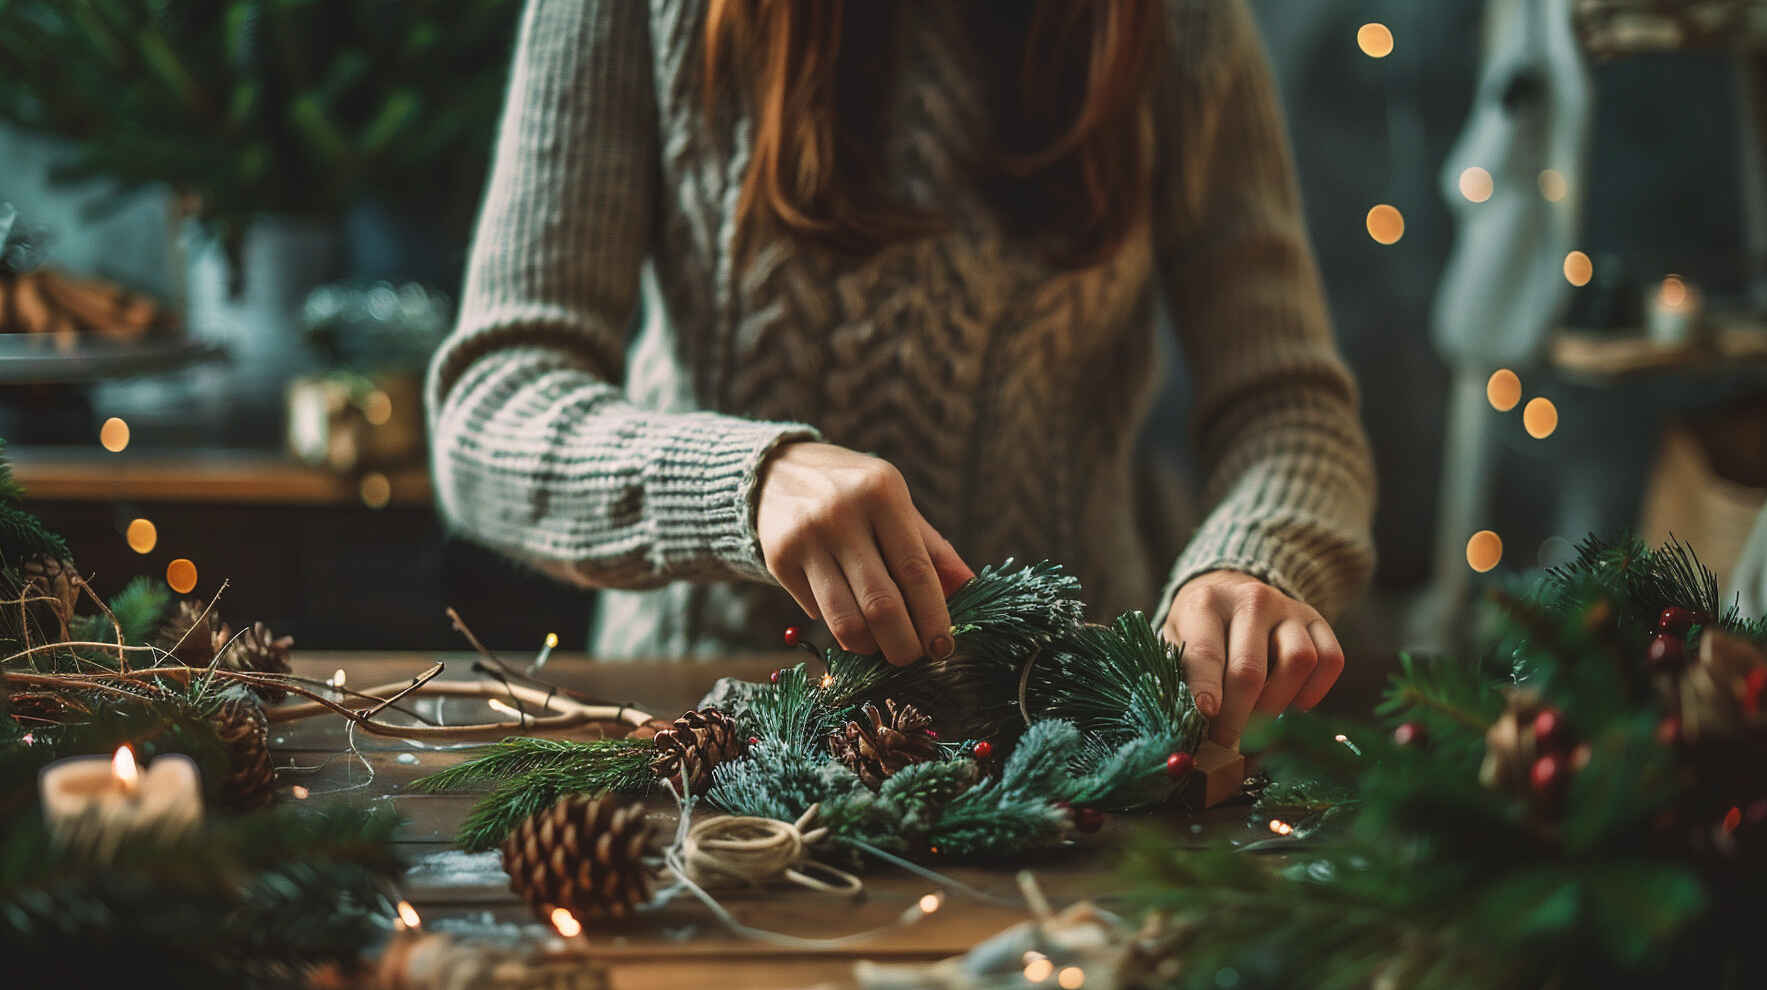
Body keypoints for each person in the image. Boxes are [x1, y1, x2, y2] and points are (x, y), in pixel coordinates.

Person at [426, 0, 1376, 747]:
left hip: (1074, 742)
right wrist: (742, 482)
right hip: (701, 736)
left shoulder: (1175, 20)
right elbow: (491, 405)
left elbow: (1288, 406)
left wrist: (1250, 561)